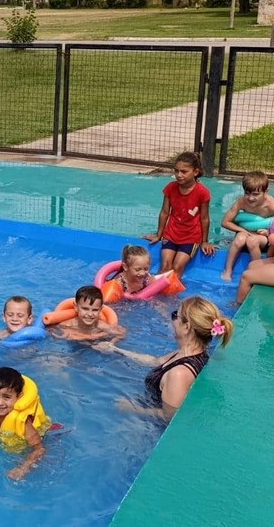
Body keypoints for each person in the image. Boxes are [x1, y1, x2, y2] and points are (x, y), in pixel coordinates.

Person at [93, 296, 233, 421]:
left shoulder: (179, 373)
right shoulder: (191, 353)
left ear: (186, 327)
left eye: (174, 316)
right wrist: (116, 350)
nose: (172, 321)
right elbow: (156, 361)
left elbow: (169, 416)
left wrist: (132, 408)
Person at [142, 152, 215, 277]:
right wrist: (159, 235)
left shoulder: (202, 192)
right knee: (165, 265)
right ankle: (154, 294)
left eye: (183, 171)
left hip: (191, 237)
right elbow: (165, 212)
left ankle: (173, 296)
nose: (179, 175)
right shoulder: (170, 188)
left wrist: (204, 241)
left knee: (177, 267)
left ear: (195, 172)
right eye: (176, 171)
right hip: (171, 234)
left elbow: (204, 218)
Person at [220, 171, 274, 282]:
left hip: (264, 236)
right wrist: (242, 230)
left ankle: (256, 272)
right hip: (246, 231)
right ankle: (227, 270)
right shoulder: (241, 202)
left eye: (256, 194)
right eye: (247, 193)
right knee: (239, 239)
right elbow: (225, 222)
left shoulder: (272, 205)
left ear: (266, 192)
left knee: (252, 241)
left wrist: (269, 233)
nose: (250, 198)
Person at [50, 286, 125, 343]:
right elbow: (52, 331)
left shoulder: (101, 326)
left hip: (95, 345)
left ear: (100, 310)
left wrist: (111, 343)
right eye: (85, 309)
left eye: (95, 310)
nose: (90, 314)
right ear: (76, 307)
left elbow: (121, 333)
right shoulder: (67, 325)